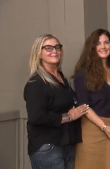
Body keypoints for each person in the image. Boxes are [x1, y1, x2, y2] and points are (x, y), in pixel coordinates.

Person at [24, 34, 89, 169]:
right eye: (48, 48)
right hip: (48, 146)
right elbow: (37, 117)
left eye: (57, 47)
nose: (54, 51)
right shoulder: (36, 83)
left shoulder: (60, 77)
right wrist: (69, 116)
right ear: (39, 53)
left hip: (65, 143)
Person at [73, 29, 110, 169]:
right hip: (93, 132)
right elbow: (84, 107)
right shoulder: (82, 73)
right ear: (92, 47)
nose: (103, 47)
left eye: (106, 42)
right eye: (98, 43)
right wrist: (104, 127)